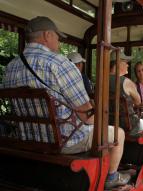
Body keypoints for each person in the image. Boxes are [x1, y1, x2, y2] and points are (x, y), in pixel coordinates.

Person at [2, 16, 129, 189]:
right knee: (117, 133)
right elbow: (87, 117)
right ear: (47, 35)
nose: (59, 42)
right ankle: (110, 178)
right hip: (64, 142)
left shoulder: (10, 67)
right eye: (57, 37)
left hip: (26, 138)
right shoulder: (59, 63)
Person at [109, 51, 143, 137]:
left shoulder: (99, 81)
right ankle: (139, 148)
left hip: (107, 123)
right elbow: (138, 102)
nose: (128, 65)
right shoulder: (126, 82)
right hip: (127, 125)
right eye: (126, 62)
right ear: (118, 63)